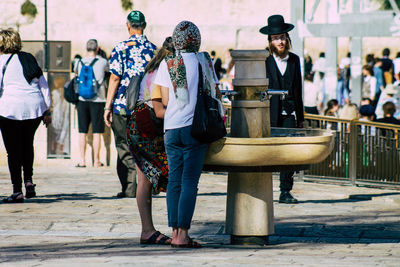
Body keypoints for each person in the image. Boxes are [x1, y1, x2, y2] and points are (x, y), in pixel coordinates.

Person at [154, 21, 220, 247]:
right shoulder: (204, 61)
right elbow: (215, 92)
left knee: (174, 181)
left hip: (171, 128)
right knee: (190, 181)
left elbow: (164, 100)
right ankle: (183, 235)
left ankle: (174, 234)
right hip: (194, 128)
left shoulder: (167, 63)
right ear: (197, 40)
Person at [126, 37, 173, 245]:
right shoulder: (165, 68)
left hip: (137, 123)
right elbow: (162, 107)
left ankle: (148, 229)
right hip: (146, 126)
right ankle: (149, 229)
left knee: (143, 178)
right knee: (152, 177)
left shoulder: (152, 66)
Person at [104, 10, 156, 198]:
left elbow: (115, 78)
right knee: (142, 145)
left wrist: (107, 106)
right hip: (145, 106)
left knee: (123, 146)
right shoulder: (153, 49)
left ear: (128, 25)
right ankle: (138, 186)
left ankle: (131, 186)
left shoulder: (120, 48)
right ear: (144, 25)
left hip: (121, 106)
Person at [0, 28, 52, 203]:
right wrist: (47, 109)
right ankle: (29, 181)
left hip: (9, 109)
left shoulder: (0, 61)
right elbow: (43, 85)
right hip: (33, 108)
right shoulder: (28, 58)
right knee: (27, 144)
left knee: (13, 151)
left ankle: (17, 190)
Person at [260, 14, 304, 204]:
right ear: (270, 40)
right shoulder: (265, 61)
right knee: (269, 152)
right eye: (276, 38)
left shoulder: (294, 60)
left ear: (287, 38)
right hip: (270, 113)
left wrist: (301, 117)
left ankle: (285, 190)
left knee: (289, 152)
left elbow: (298, 89)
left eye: (282, 37)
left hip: (290, 112)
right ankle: (262, 189)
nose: (280, 41)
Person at [74, 39, 109, 167]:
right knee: (97, 132)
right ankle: (96, 161)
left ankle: (82, 160)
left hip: (82, 100)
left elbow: (76, 73)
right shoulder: (103, 61)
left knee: (82, 132)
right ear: (97, 48)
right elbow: (108, 71)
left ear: (86, 48)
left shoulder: (79, 62)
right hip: (98, 100)